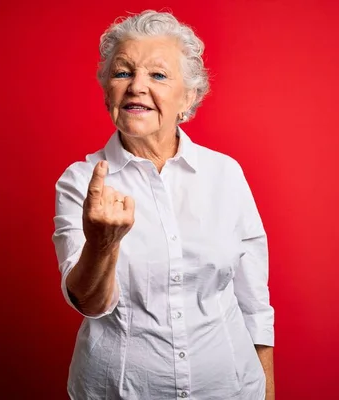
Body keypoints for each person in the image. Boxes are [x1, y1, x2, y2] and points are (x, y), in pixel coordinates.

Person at [52, 10, 275, 400]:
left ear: (188, 97)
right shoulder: (79, 182)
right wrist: (103, 243)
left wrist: (267, 391)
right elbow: (89, 303)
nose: (137, 86)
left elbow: (254, 303)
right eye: (123, 73)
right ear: (107, 91)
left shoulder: (225, 174)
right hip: (117, 392)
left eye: (157, 75)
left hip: (230, 389)